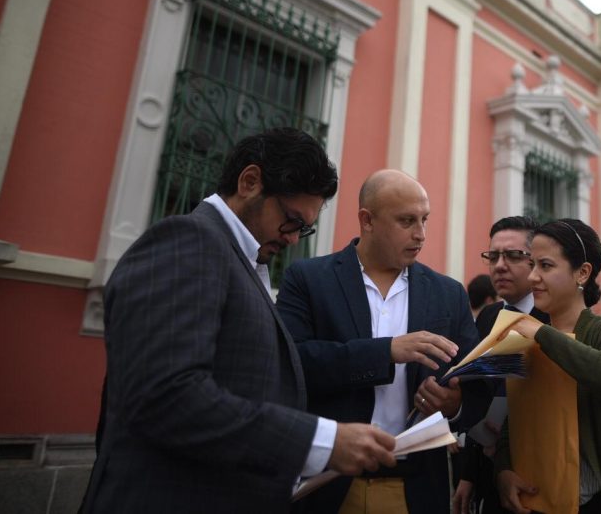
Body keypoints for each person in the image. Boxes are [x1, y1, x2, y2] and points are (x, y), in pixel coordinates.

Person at [80, 128, 396, 513]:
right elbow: (166, 396)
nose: (295, 239)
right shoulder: (188, 240)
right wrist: (323, 442)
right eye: (291, 220)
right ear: (250, 182)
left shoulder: (243, 261)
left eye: (304, 228)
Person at [276, 169, 481, 514]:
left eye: (424, 220)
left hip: (415, 490)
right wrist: (385, 351)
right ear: (366, 220)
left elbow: (476, 385)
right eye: (406, 221)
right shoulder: (308, 278)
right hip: (327, 486)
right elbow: (290, 363)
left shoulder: (448, 294)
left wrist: (453, 402)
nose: (421, 234)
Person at [495, 219, 601, 514]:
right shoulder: (523, 334)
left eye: (545, 266)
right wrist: (503, 471)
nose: (533, 277)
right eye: (532, 264)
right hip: (532, 502)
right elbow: (514, 418)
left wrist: (545, 336)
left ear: (582, 272)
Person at [454, 216, 549, 514]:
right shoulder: (488, 317)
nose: (499, 265)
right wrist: (468, 474)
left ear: (536, 262)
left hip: (538, 475)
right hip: (486, 472)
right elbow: (479, 394)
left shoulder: (556, 319)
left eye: (512, 255)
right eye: (493, 256)